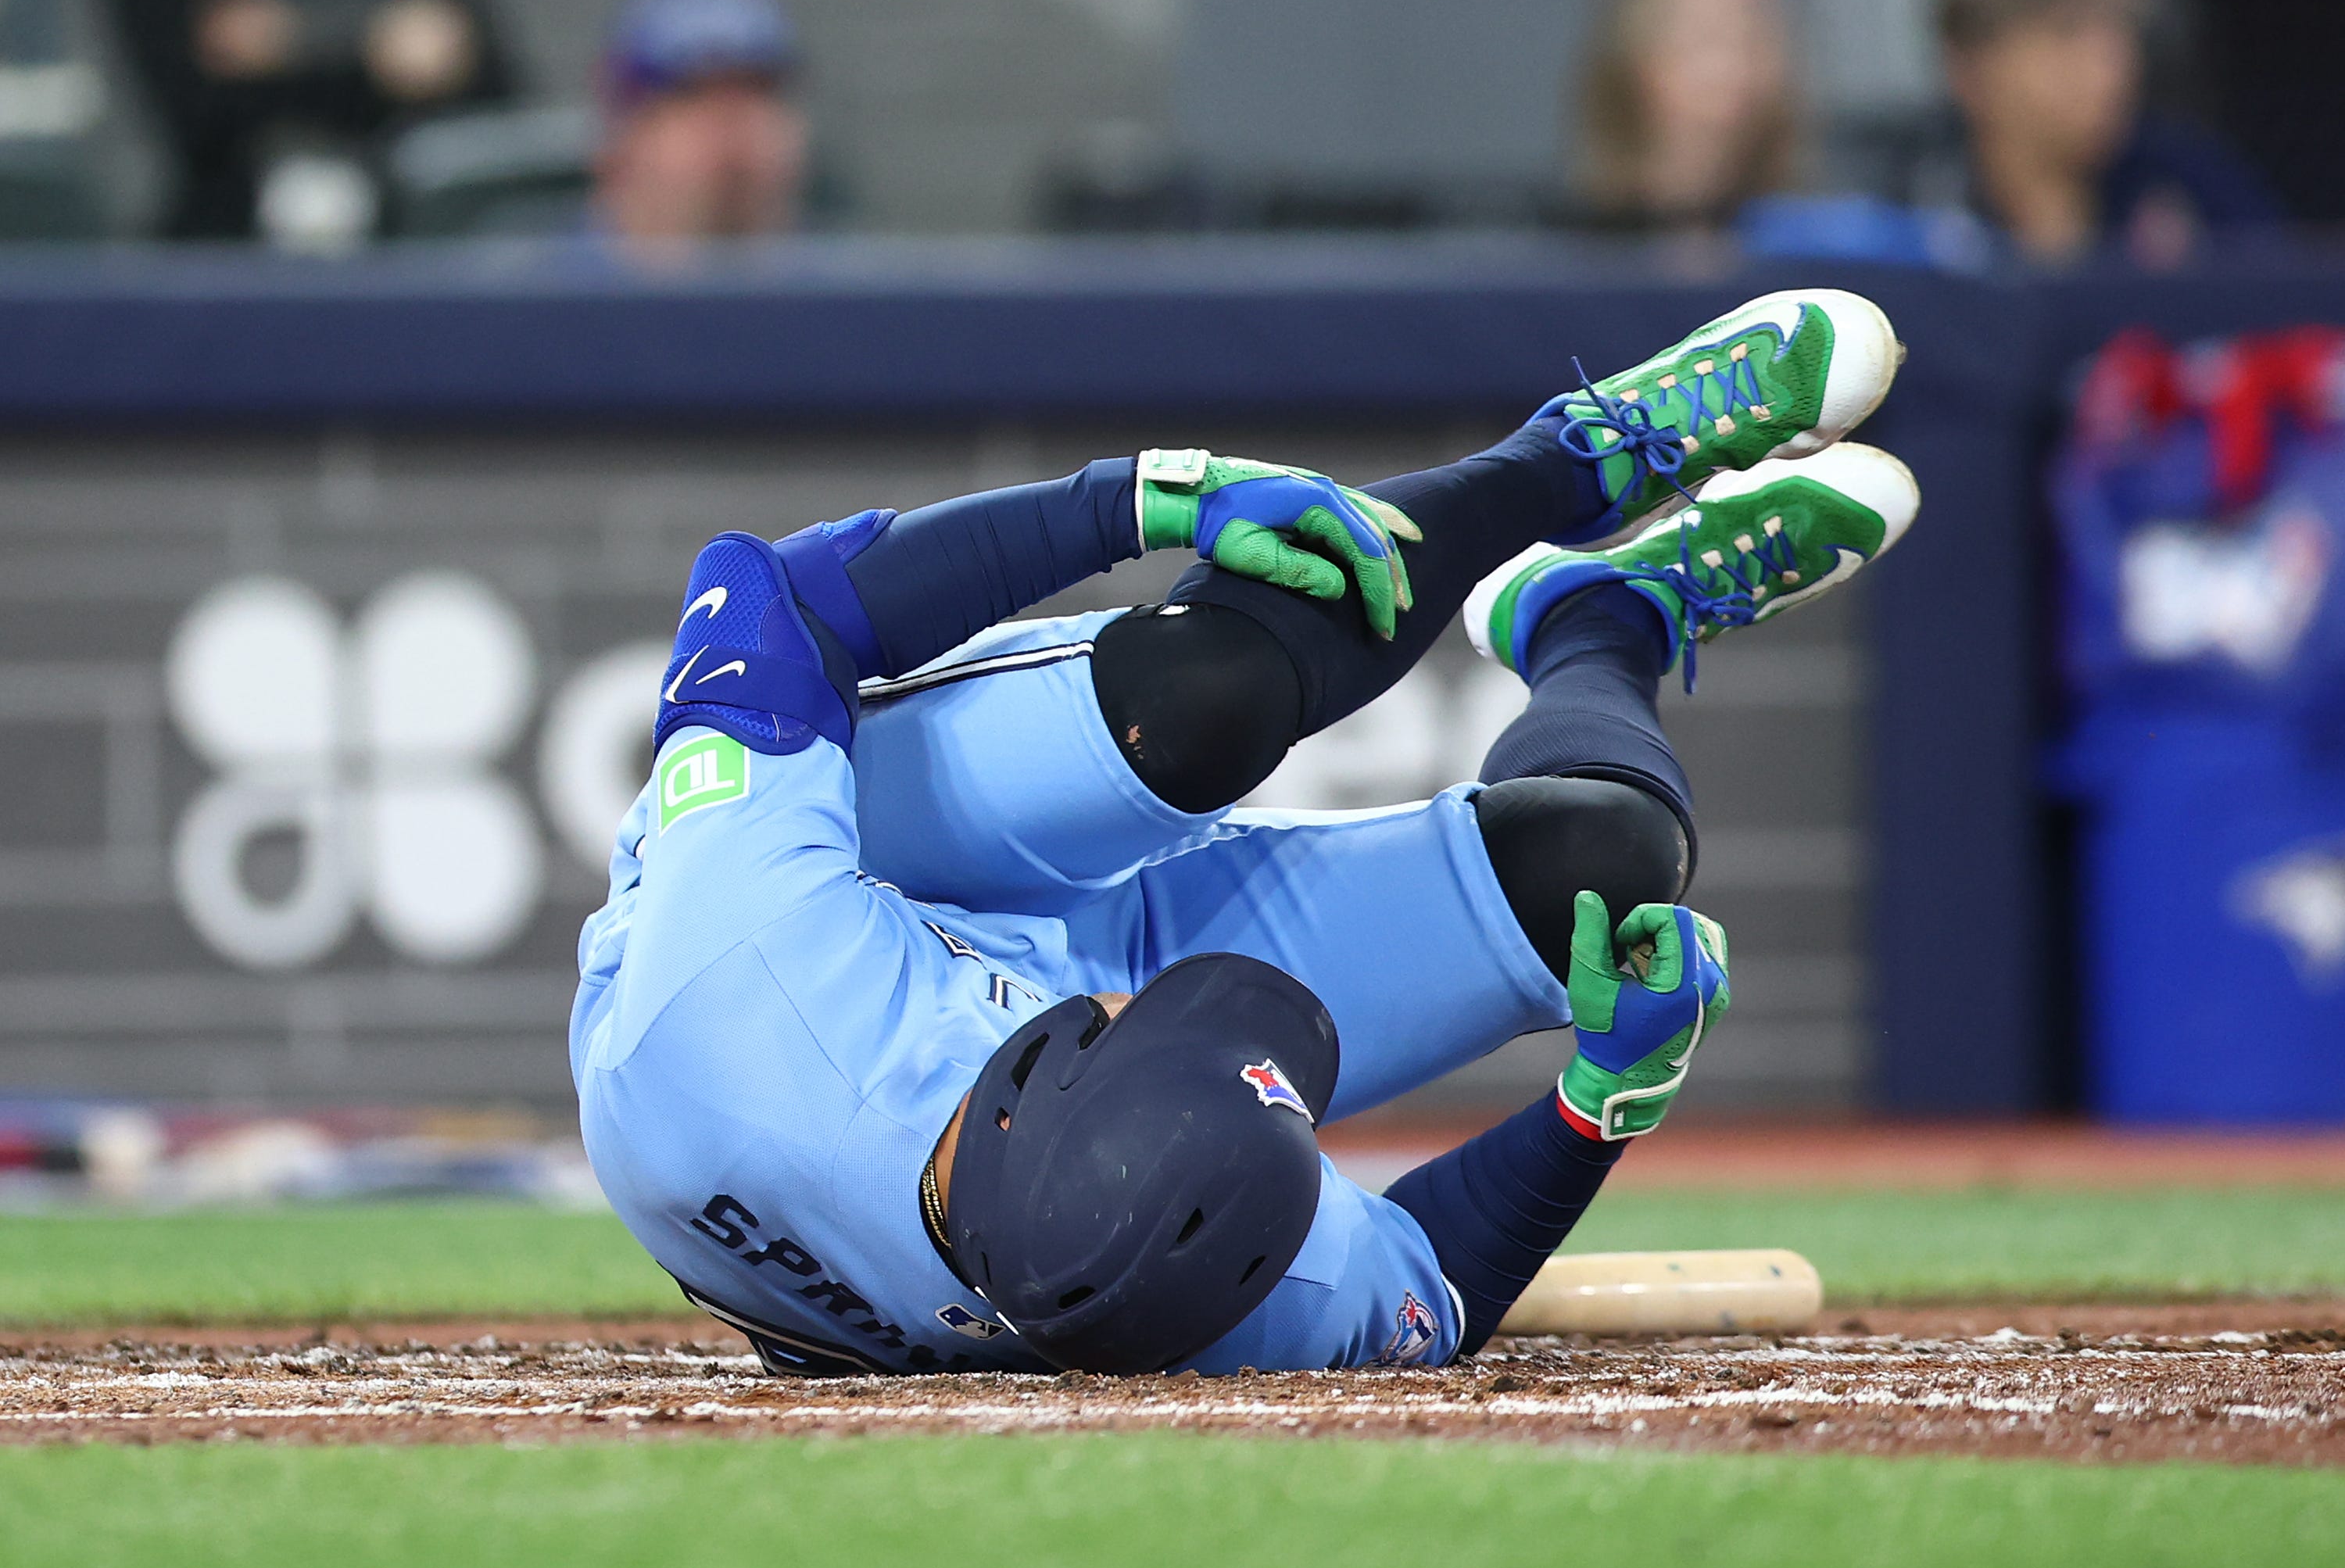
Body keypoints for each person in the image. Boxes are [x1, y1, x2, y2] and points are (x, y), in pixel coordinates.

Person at [569, 288, 1917, 1376]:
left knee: (1200, 699)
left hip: (868, 871)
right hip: (923, 1087)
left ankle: (1576, 456)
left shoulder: (734, 965)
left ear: (1042, 1057)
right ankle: (1605, 617)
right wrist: (1603, 1098)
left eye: (1150, 1023)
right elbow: (1433, 1285)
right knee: (1607, 876)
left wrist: (1142, 498)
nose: (1163, 1010)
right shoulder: (1200, 1275)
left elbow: (767, 600)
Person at [102, 0, 513, 242]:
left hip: (410, 226)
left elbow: (486, 96)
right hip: (228, 237)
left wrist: (298, 47)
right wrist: (378, 58)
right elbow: (199, 117)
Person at [1931, 0, 2282, 265]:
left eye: (2118, 41)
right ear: (1969, 68)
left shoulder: (2193, 186)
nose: (2108, 73)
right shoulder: (1912, 202)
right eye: (2066, 35)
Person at [1570, 0, 1802, 236]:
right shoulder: (1569, 247)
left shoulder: (1813, 237)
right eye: (1704, 36)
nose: (1734, 62)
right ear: (1635, 59)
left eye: (1751, 35)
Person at [592, 0, 811, 253]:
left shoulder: (853, 286)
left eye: (758, 90)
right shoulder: (542, 288)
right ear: (622, 139)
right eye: (691, 93)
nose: (732, 120)